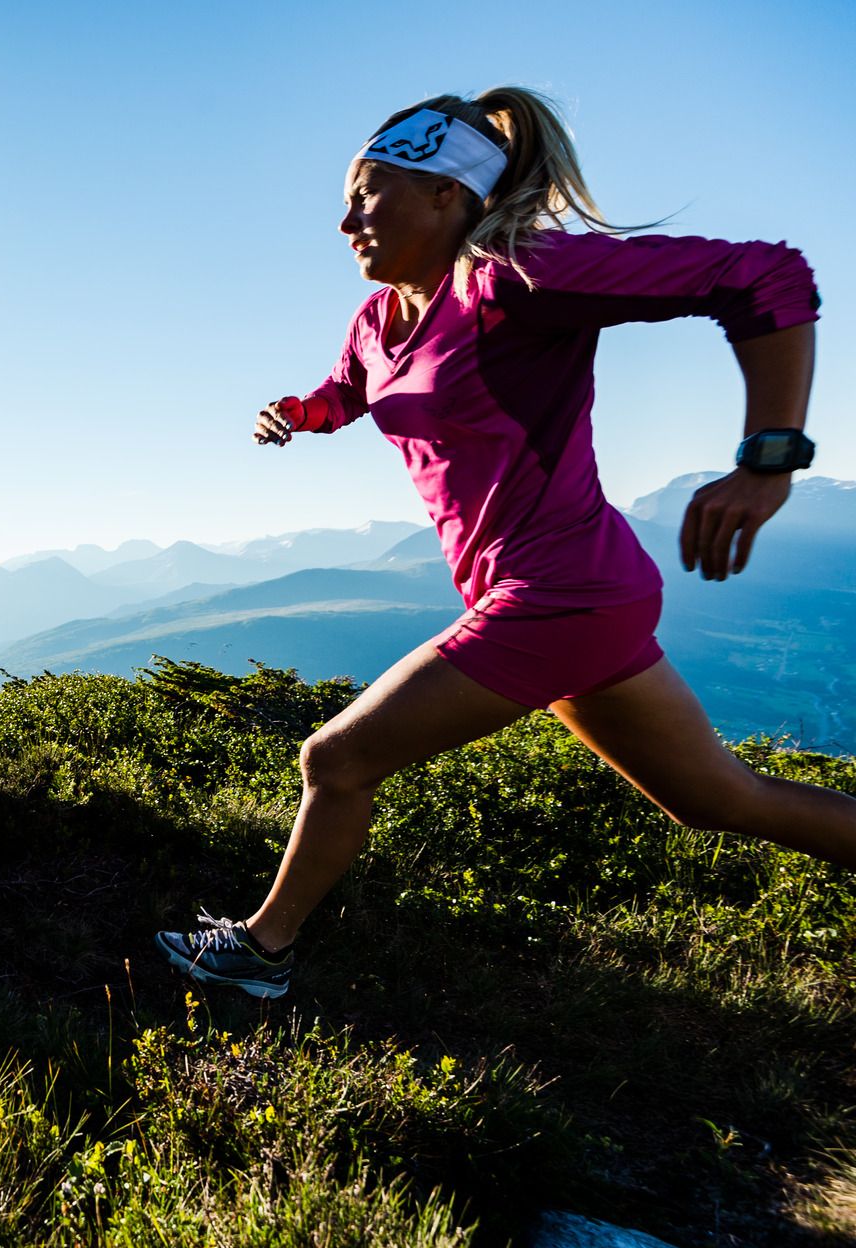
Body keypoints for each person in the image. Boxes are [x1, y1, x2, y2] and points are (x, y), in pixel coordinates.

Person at [155, 86, 851, 998]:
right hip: (565, 596)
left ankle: (262, 951)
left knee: (335, 758)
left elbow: (767, 276)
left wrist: (768, 457)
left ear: (448, 193)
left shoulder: (515, 280)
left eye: (368, 193)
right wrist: (302, 413)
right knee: (719, 800)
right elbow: (354, 387)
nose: (344, 221)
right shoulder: (379, 320)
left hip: (560, 594)